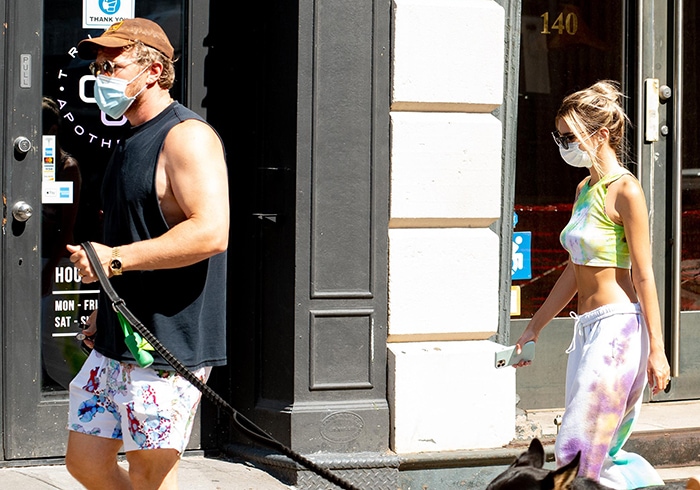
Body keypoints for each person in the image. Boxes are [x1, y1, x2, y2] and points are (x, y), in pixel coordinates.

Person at [64, 18, 229, 490]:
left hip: (167, 344)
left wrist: (115, 258)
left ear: (153, 69)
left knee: (149, 478)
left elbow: (211, 231)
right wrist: (102, 308)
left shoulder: (186, 136)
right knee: (85, 462)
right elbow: (132, 230)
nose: (101, 77)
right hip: (119, 335)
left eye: (111, 65)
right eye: (98, 65)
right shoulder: (130, 139)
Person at [513, 80, 671, 489]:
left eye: (569, 137)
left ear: (599, 135)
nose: (563, 144)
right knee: (598, 453)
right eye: (560, 136)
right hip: (587, 330)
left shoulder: (626, 189)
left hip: (618, 331)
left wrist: (657, 349)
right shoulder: (585, 188)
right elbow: (573, 268)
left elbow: (644, 273)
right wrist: (535, 325)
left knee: (577, 449)